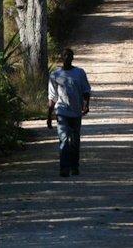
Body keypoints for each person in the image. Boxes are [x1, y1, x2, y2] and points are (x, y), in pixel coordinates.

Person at [47, 48, 91, 177]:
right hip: (61, 111)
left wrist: (86, 105)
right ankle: (64, 168)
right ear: (61, 58)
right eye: (65, 56)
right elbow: (52, 97)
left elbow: (86, 90)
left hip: (76, 112)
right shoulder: (55, 75)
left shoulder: (79, 73)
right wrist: (49, 116)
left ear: (73, 58)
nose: (67, 58)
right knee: (64, 140)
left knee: (75, 141)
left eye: (69, 56)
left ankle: (74, 166)